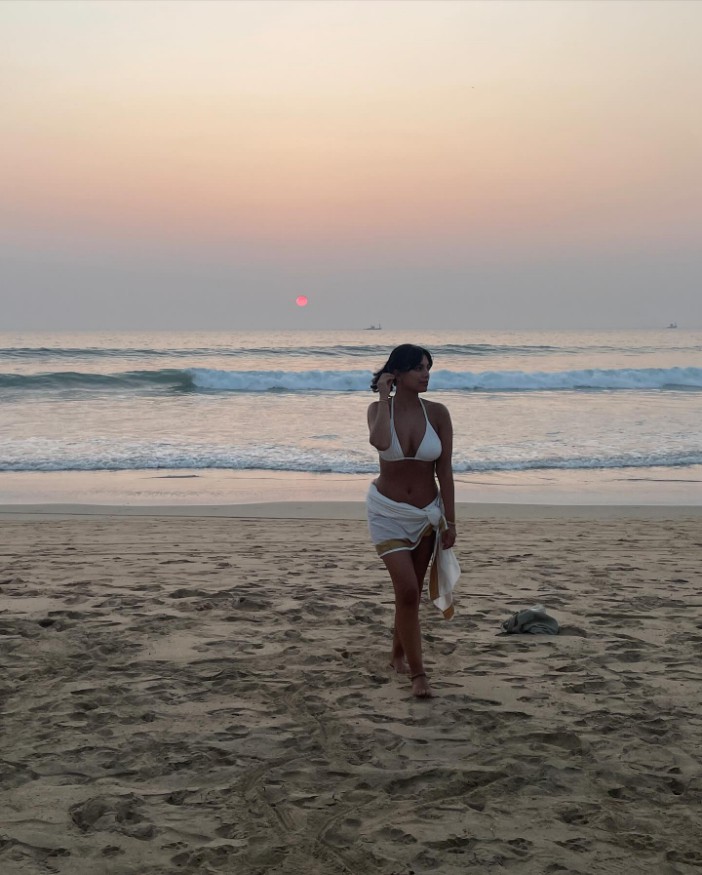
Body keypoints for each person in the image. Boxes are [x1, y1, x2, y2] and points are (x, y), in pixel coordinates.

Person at [366, 344, 459, 698]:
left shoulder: (438, 413)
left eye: (428, 367)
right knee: (406, 590)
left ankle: (396, 656)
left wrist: (450, 520)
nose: (426, 374)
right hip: (387, 513)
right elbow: (379, 441)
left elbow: (445, 471)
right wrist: (384, 398)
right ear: (397, 373)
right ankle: (419, 674)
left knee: (411, 596)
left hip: (426, 514)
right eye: (418, 368)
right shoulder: (377, 411)